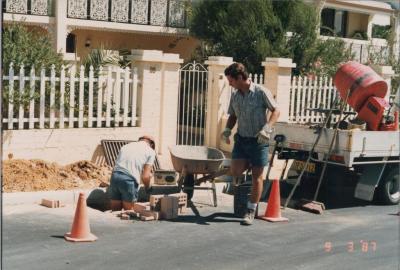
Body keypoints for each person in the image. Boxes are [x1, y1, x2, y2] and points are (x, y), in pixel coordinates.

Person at [222, 62, 280, 225]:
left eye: (231, 80)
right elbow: (233, 115)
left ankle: (250, 210)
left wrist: (267, 128)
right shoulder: (235, 95)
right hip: (241, 139)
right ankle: (246, 166)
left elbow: (276, 110)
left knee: (257, 177)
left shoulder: (261, 92)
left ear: (240, 77)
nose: (230, 84)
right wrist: (227, 130)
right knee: (235, 171)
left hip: (258, 141)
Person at [109, 135, 156, 211]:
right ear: (151, 144)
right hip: (129, 180)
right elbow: (145, 176)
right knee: (129, 213)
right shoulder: (150, 151)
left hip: (115, 177)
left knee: (115, 213)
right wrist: (148, 188)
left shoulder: (125, 146)